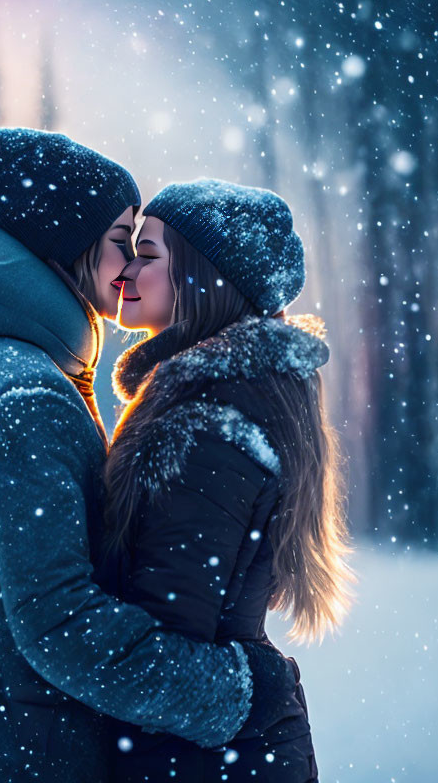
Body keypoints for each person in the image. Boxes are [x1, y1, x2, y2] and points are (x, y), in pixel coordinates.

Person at [0, 132, 295, 783]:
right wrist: (234, 688)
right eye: (120, 238)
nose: (129, 263)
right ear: (65, 243)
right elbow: (62, 624)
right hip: (37, 763)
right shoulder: (24, 397)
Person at [99, 179, 355, 782]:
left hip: (210, 757)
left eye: (149, 255)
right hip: (222, 749)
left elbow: (168, 636)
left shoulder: (211, 424)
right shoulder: (219, 401)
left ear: (200, 277)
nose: (126, 271)